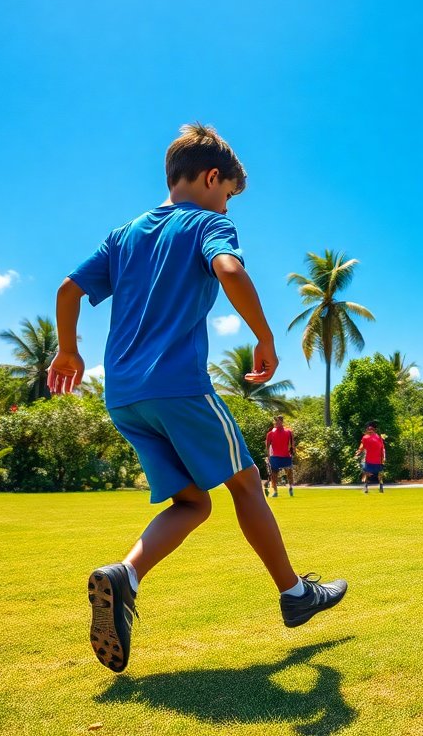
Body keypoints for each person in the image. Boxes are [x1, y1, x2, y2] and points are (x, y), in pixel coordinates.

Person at [47, 123, 346, 674]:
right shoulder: (209, 224)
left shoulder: (125, 234)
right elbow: (228, 268)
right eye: (229, 194)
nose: (229, 205)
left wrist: (68, 351)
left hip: (124, 396)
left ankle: (124, 575)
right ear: (212, 178)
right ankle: (295, 594)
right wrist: (264, 335)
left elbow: (69, 289)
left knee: (193, 502)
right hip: (179, 386)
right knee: (246, 482)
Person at [265, 415, 295, 497]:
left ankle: (291, 487)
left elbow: (292, 444)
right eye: (275, 421)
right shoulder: (270, 434)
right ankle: (275, 492)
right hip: (275, 457)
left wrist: (293, 451)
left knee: (289, 473)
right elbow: (267, 446)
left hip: (286, 456)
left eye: (278, 421)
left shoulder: (288, 432)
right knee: (274, 475)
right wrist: (268, 456)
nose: (276, 422)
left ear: (282, 422)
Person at [355, 421, 386, 493]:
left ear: (374, 429)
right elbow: (362, 446)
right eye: (368, 429)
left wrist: (383, 457)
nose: (369, 430)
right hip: (369, 459)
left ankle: (381, 486)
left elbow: (382, 448)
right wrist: (359, 451)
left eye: (371, 429)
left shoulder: (379, 438)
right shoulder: (365, 438)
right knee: (366, 472)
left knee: (379, 474)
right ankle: (366, 487)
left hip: (378, 460)